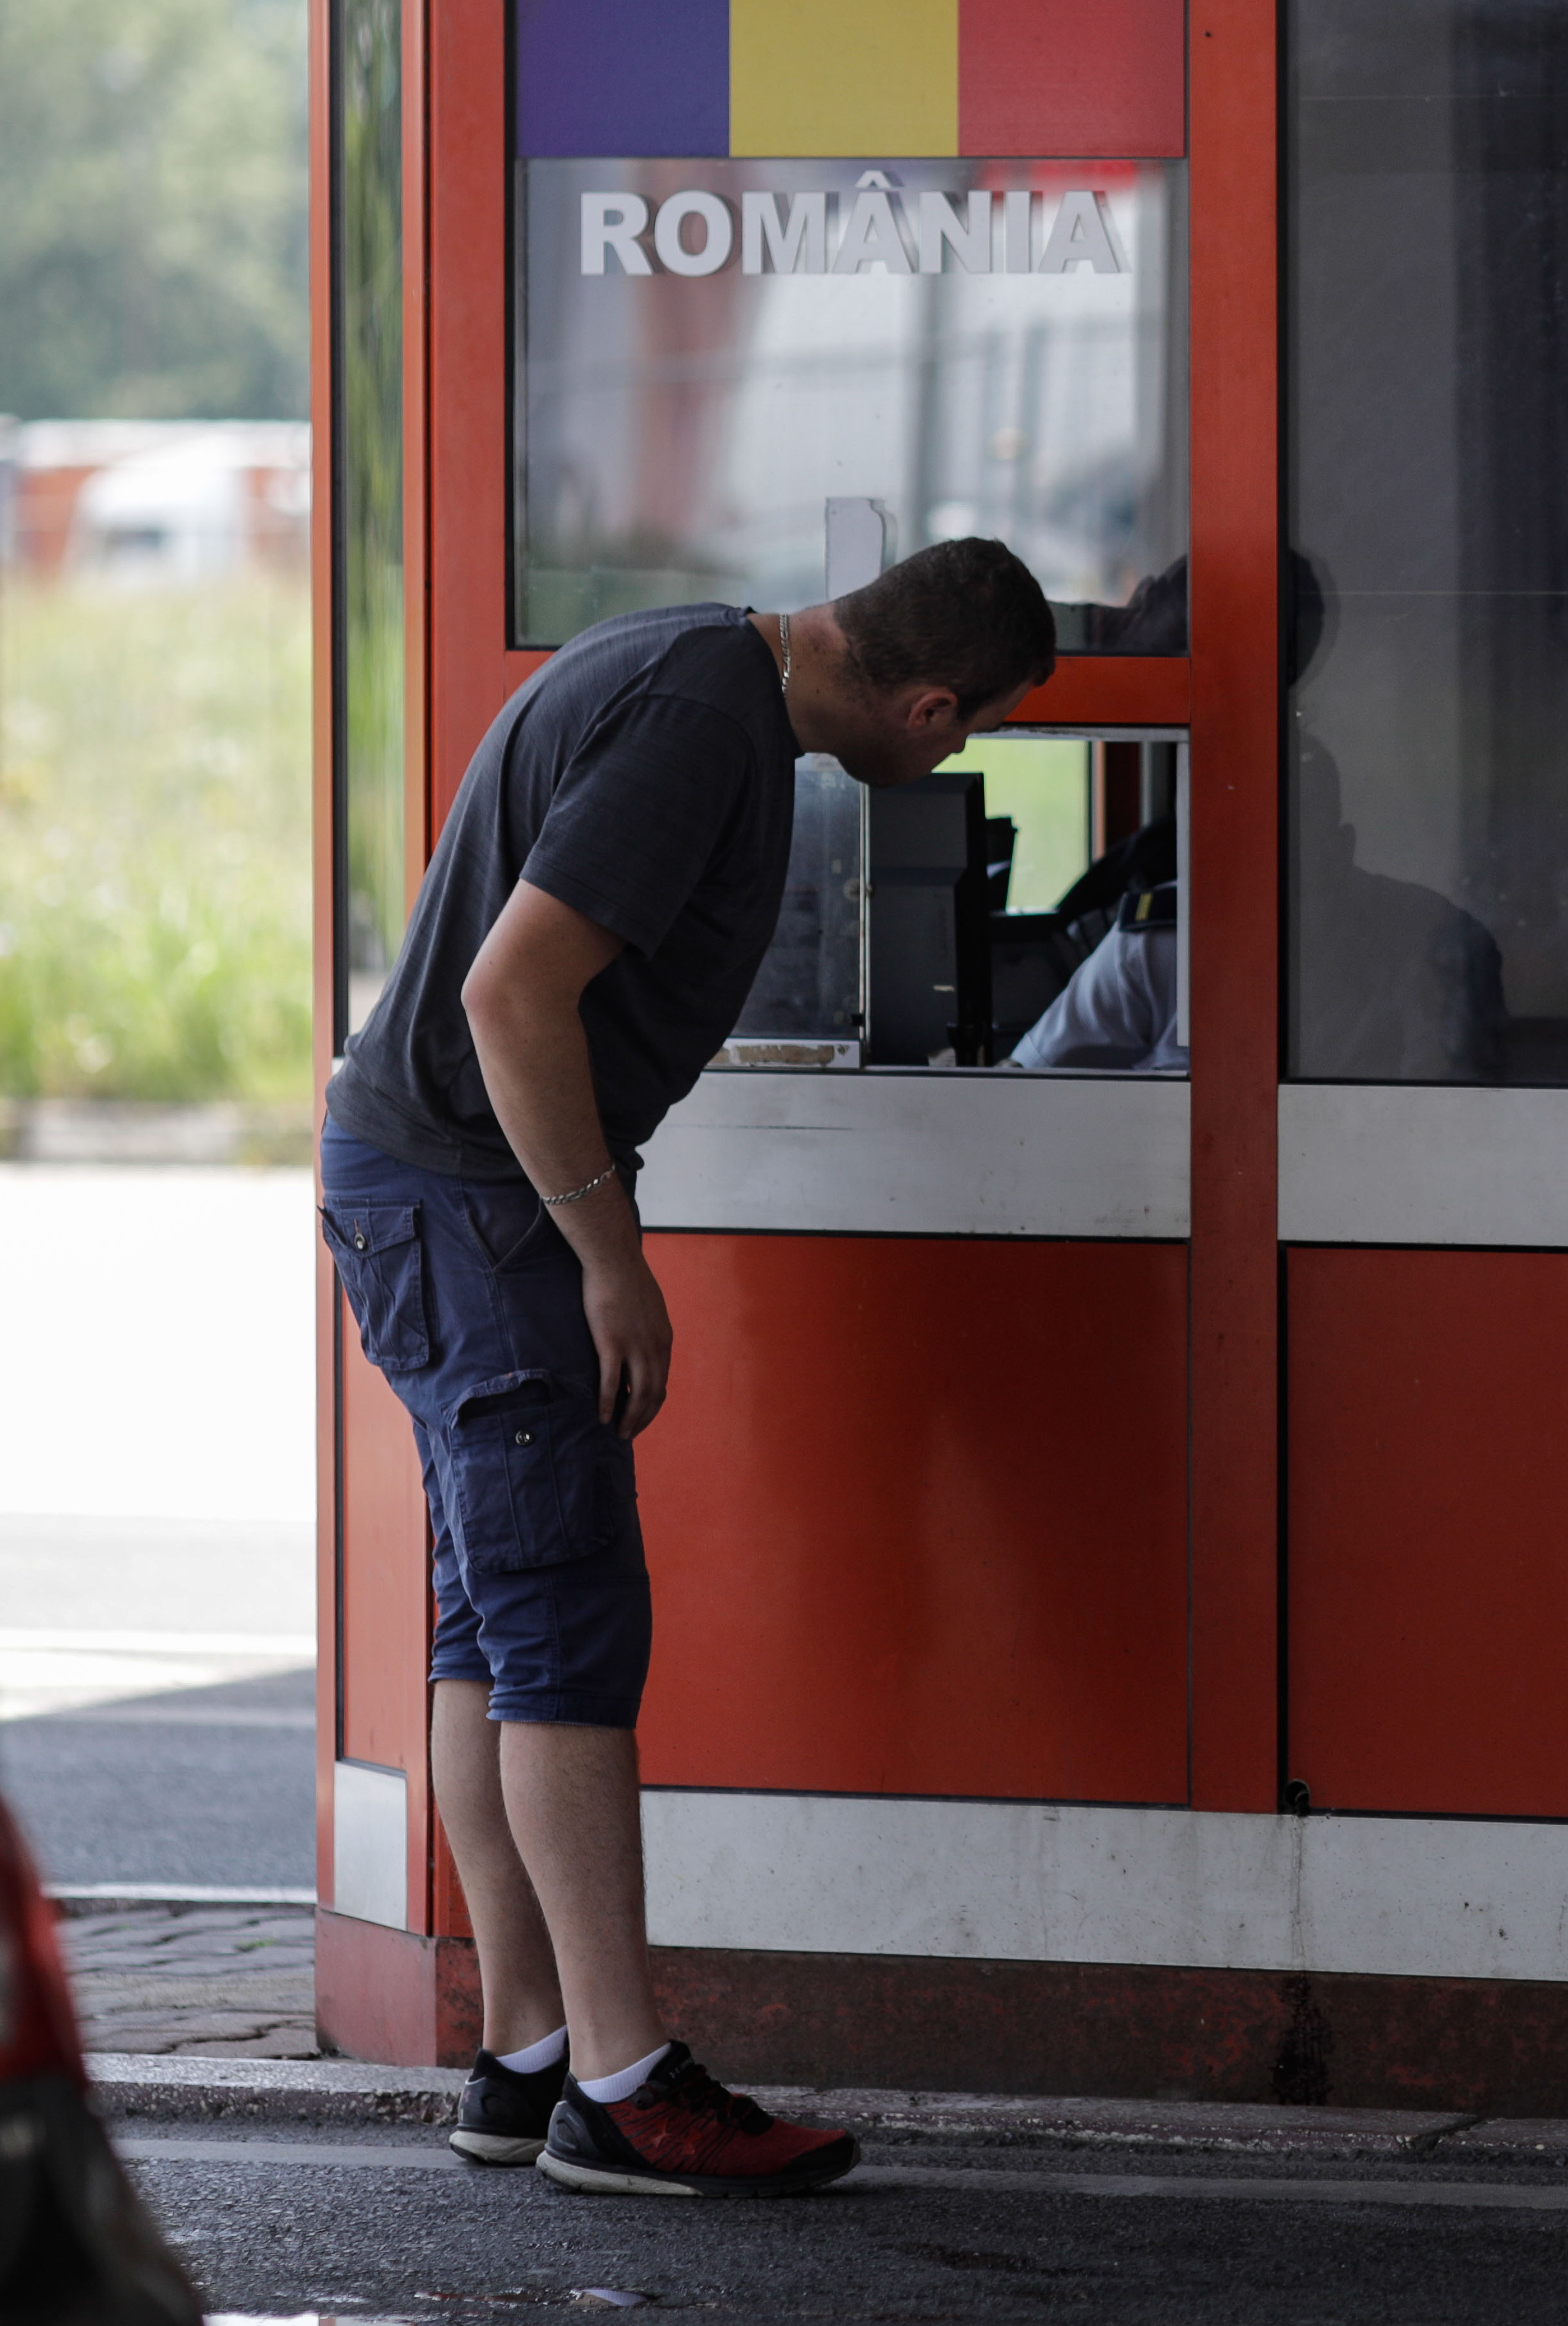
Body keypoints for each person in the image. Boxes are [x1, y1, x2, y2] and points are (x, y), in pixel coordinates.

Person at [317, 540, 1051, 2194]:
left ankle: (524, 2050)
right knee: (566, 1623)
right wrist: (609, 1258)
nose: (946, 761)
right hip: (475, 1205)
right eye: (965, 734)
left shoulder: (690, 666)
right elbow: (517, 995)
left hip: (428, 1186)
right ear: (928, 702)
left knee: (489, 1627)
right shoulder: (700, 725)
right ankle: (622, 2081)